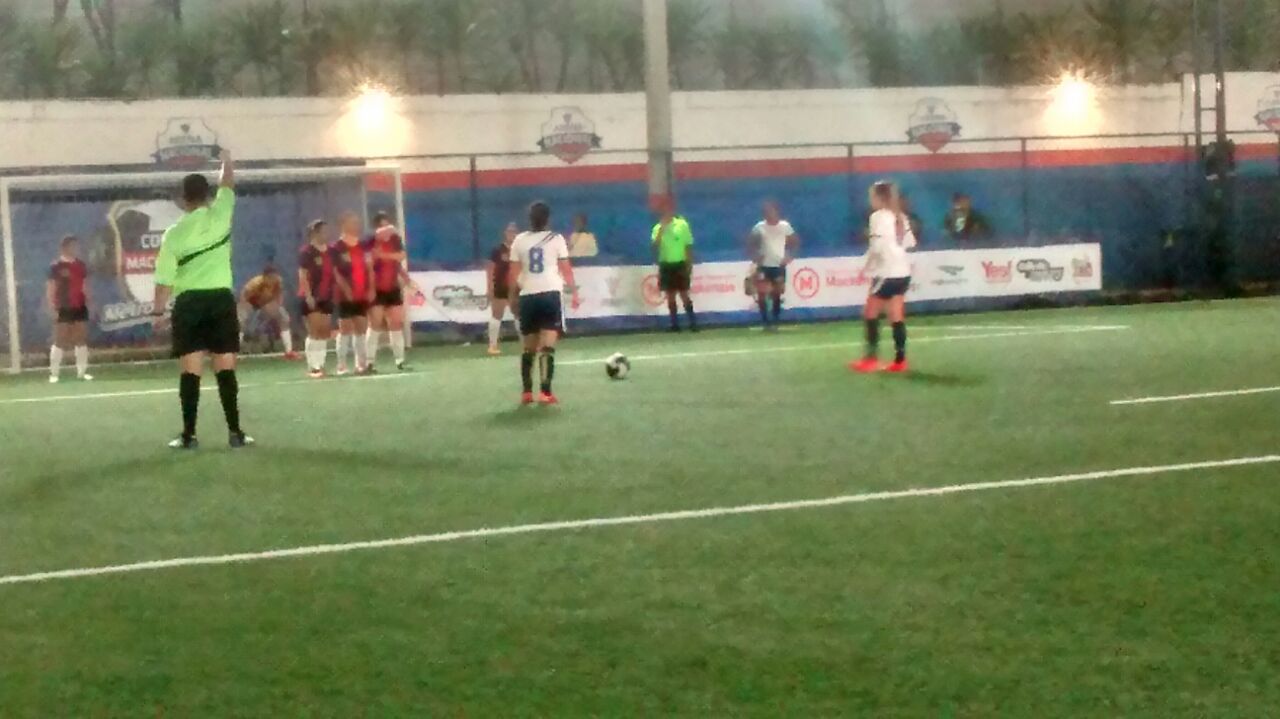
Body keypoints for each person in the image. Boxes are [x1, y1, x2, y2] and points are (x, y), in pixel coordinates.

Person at [151, 149, 253, 449]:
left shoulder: (174, 234)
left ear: (183, 199)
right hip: (220, 300)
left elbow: (164, 280)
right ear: (208, 195)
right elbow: (228, 183)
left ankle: (189, 435)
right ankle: (235, 433)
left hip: (189, 304)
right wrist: (226, 161)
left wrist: (158, 313)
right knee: (225, 367)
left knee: (190, 370)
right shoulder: (221, 214)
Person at [509, 201, 579, 405]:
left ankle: (526, 392)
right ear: (548, 219)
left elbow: (514, 274)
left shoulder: (519, 240)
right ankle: (545, 393)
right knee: (547, 345)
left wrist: (513, 297)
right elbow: (566, 268)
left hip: (528, 295)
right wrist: (574, 292)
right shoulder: (556, 239)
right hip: (550, 293)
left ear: (529, 219)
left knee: (528, 346)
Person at [851, 181, 916, 374]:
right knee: (896, 314)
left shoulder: (878, 216)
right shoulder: (900, 216)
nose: (870, 200)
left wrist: (866, 268)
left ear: (879, 197)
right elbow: (910, 242)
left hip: (886, 271)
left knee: (870, 313)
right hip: (903, 271)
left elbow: (876, 248)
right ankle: (900, 361)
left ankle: (871, 360)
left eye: (871, 196)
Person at [364, 211, 415, 372]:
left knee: (396, 323)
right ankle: (369, 362)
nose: (387, 230)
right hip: (377, 288)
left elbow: (400, 257)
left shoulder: (395, 240)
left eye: (388, 226)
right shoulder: (370, 241)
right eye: (383, 227)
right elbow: (369, 263)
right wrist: (371, 289)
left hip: (393, 287)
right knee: (375, 324)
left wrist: (405, 278)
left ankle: (400, 360)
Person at [46, 235, 93, 383]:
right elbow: (51, 287)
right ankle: (54, 374)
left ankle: (82, 372)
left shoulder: (81, 265)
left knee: (80, 339)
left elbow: (85, 285)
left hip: (79, 305)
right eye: (73, 246)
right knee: (60, 339)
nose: (76, 249)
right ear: (64, 248)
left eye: (77, 246)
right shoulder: (56, 266)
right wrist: (52, 306)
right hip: (63, 306)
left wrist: (89, 300)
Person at [330, 211, 373, 376]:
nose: (356, 225)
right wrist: (346, 289)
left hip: (362, 292)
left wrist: (371, 288)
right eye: (352, 222)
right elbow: (335, 272)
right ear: (343, 225)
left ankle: (361, 364)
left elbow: (369, 268)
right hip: (344, 294)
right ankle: (341, 365)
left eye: (357, 222)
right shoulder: (336, 248)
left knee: (361, 327)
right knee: (345, 328)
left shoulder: (363, 246)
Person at [749, 201, 799, 331]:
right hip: (763, 265)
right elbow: (750, 243)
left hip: (778, 265)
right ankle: (765, 322)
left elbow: (795, 241)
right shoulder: (759, 227)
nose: (768, 214)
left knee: (776, 293)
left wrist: (790, 256)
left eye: (771, 211)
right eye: (766, 211)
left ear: (777, 212)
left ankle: (775, 321)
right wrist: (755, 257)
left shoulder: (784, 226)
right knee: (762, 294)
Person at [651, 198, 697, 332]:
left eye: (668, 209)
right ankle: (675, 324)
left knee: (684, 294)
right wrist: (662, 228)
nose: (666, 212)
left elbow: (688, 245)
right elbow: (655, 245)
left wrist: (689, 263)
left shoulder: (682, 225)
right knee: (670, 295)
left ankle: (693, 323)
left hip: (680, 264)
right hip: (666, 264)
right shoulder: (657, 228)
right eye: (663, 210)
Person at [297, 219, 335, 378]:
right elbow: (303, 275)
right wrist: (308, 295)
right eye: (323, 231)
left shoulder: (331, 251)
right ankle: (313, 367)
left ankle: (320, 364)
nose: (327, 234)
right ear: (314, 233)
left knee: (324, 331)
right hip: (311, 295)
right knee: (314, 331)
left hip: (327, 295)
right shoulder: (307, 252)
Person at [237, 264, 297, 360]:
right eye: (270, 278)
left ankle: (289, 351)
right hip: (250, 302)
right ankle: (234, 352)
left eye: (274, 277)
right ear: (265, 277)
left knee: (284, 317)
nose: (272, 280)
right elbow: (244, 296)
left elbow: (279, 296)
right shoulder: (256, 283)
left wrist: (277, 307)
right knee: (240, 321)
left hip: (266, 303)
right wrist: (244, 309)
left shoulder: (278, 281)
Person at [485, 222, 521, 356]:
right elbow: (490, 269)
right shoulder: (497, 250)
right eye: (509, 231)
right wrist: (490, 287)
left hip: (516, 287)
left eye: (514, 232)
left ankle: (525, 344)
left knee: (519, 315)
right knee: (496, 314)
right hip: (500, 286)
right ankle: (492, 345)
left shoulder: (520, 250)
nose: (512, 234)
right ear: (505, 234)